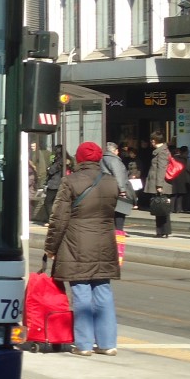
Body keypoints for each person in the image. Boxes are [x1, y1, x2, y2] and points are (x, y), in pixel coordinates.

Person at [44, 142, 121, 357]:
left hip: (76, 243)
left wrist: (50, 248)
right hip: (105, 242)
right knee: (103, 290)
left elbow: (59, 219)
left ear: (79, 159)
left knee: (81, 291)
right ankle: (108, 344)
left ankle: (84, 344)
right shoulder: (111, 182)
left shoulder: (70, 181)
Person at [100, 141, 134, 268]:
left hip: (105, 192)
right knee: (119, 219)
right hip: (116, 192)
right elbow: (119, 176)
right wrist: (123, 191)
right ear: (115, 150)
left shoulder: (102, 160)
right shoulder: (114, 161)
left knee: (111, 217)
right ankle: (118, 248)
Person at [147, 131, 174, 237]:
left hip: (161, 183)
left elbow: (161, 169)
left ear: (154, 141)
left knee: (161, 207)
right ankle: (162, 231)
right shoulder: (161, 150)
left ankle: (163, 231)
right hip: (160, 183)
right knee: (160, 207)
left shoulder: (162, 151)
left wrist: (159, 185)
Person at [43, 144, 72, 220]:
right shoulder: (68, 160)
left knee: (48, 202)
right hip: (63, 183)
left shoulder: (59, 161)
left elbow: (51, 171)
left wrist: (49, 168)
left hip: (54, 184)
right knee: (59, 202)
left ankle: (52, 219)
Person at [168, 145, 190, 213]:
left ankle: (171, 209)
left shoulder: (172, 159)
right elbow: (188, 168)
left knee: (173, 194)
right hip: (182, 178)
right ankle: (179, 208)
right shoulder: (185, 159)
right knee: (180, 195)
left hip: (174, 177)